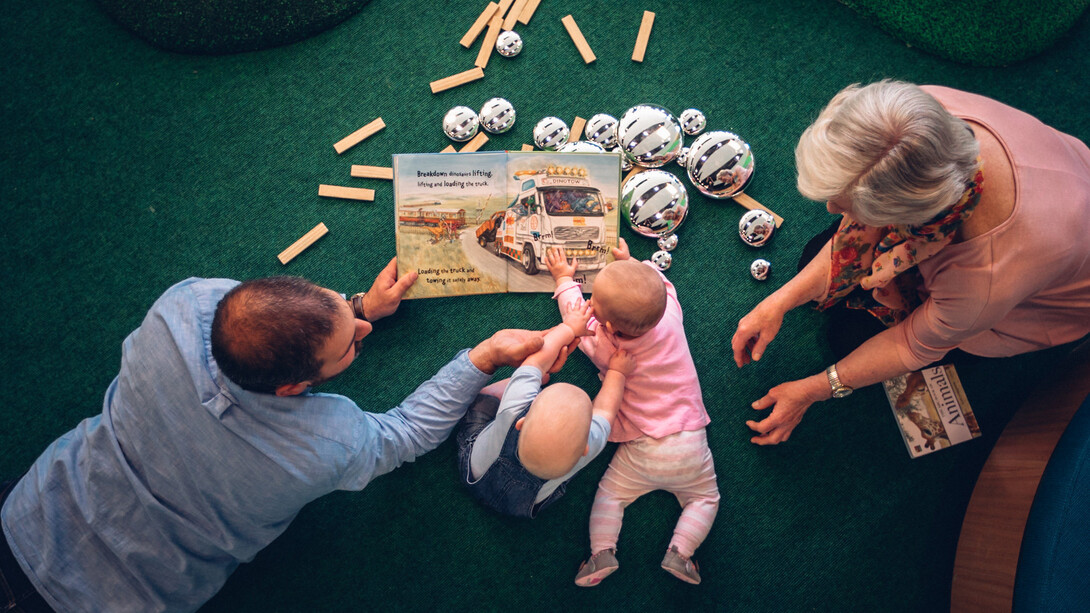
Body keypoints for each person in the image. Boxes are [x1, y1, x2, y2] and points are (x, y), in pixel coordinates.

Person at [0, 258, 555, 613]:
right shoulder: (327, 443)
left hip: (25, 519)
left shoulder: (183, 305)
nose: (363, 329)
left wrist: (359, 305)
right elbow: (405, 434)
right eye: (351, 345)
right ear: (292, 389)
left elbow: (267, 319)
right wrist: (481, 358)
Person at [731, 80, 1090, 446]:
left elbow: (910, 346)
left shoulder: (982, 281)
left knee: (850, 340)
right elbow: (855, 234)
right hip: (1055, 205)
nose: (832, 210)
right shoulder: (910, 115)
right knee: (815, 257)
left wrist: (814, 389)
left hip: (1030, 305)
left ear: (905, 218)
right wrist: (778, 301)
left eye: (844, 204)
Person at [546, 239, 720, 586]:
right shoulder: (669, 311)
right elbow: (660, 284)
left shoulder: (607, 345)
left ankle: (602, 552)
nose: (589, 304)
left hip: (642, 446)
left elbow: (574, 318)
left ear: (609, 326)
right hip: (690, 441)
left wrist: (564, 279)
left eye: (593, 302)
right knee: (704, 498)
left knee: (611, 495)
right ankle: (681, 552)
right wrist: (633, 263)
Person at [455, 302, 633, 518]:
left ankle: (522, 384)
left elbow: (537, 361)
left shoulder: (514, 410)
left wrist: (568, 328)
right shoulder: (589, 445)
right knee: (557, 486)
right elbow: (605, 410)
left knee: (484, 401)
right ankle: (530, 383)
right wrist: (617, 373)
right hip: (522, 507)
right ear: (584, 448)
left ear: (521, 423)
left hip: (472, 472)